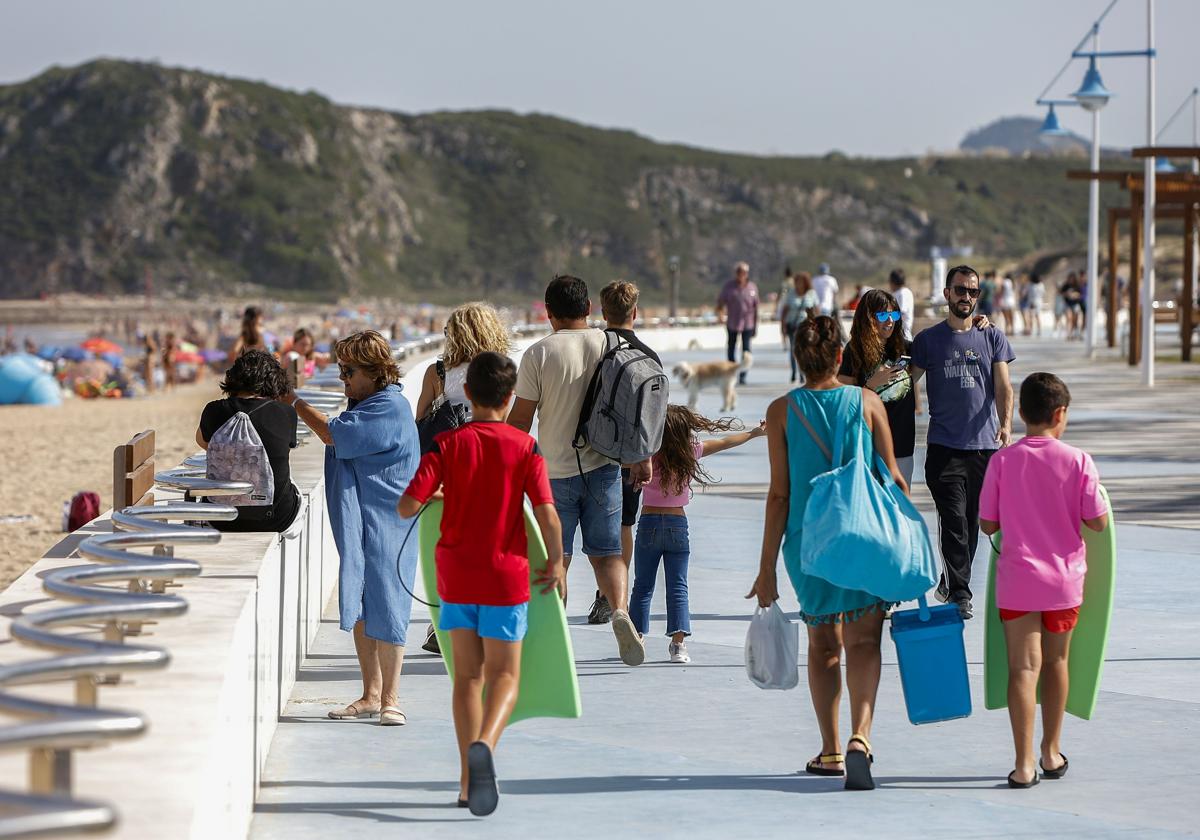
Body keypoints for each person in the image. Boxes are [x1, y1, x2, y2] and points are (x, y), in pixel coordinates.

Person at [399, 352, 565, 816]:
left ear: (466, 392)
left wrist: (438, 493)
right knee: (506, 676)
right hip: (506, 577)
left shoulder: (447, 445)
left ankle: (467, 783)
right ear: (511, 398)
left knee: (466, 679)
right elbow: (548, 514)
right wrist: (557, 563)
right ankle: (487, 746)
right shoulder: (523, 447)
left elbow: (407, 507)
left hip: (455, 577)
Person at [747, 316, 908, 792]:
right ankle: (862, 735)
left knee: (824, 646)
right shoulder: (867, 401)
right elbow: (894, 478)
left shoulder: (781, 412)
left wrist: (766, 569)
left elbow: (779, 494)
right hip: (863, 537)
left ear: (797, 359)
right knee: (864, 642)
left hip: (808, 543)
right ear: (841, 356)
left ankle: (832, 749)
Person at [507, 275, 650, 667]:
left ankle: (555, 639)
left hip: (553, 475)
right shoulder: (611, 344)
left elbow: (520, 421)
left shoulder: (538, 353)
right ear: (589, 308)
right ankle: (619, 611)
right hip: (604, 468)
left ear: (549, 313)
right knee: (607, 556)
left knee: (558, 559)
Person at [979, 372, 1108, 788]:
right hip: (1064, 584)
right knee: (1056, 662)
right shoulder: (1079, 461)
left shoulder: (1002, 461)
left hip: (1018, 580)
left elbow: (986, 524)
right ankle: (1051, 753)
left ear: (1021, 413)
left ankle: (1023, 765)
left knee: (1022, 668)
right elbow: (1098, 523)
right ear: (1060, 414)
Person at [287, 330, 421, 725]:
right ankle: (370, 694)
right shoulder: (368, 403)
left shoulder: (388, 408)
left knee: (390, 603)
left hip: (389, 521)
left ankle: (391, 698)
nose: (343, 377)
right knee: (364, 601)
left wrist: (292, 401)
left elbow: (333, 434)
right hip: (368, 519)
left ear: (375, 371)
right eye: (340, 369)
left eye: (349, 370)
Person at [908, 265, 1015, 620]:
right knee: (953, 519)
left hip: (983, 447)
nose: (966, 297)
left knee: (971, 523)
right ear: (946, 294)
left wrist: (1006, 424)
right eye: (960, 290)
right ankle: (960, 594)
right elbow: (906, 384)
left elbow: (1003, 386)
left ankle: (951, 580)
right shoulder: (928, 341)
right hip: (943, 447)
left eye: (972, 291)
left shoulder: (992, 337)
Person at [630, 405, 764, 664]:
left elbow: (619, 455)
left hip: (648, 524)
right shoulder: (690, 452)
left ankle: (635, 636)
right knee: (678, 586)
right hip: (677, 525)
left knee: (643, 585)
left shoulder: (647, 454)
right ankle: (678, 645)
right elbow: (725, 441)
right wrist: (755, 433)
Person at [590, 280, 662, 625]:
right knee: (624, 525)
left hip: (592, 453)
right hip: (632, 456)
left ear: (603, 312)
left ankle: (594, 595)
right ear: (635, 312)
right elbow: (653, 416)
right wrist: (645, 459)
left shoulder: (596, 349)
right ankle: (612, 598)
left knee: (582, 529)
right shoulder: (649, 356)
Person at [195, 350, 302, 533]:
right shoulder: (286, 413)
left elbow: (203, 443)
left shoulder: (214, 410)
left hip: (220, 517)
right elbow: (282, 450)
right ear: (274, 382)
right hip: (277, 518)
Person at [837, 289, 917, 487]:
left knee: (898, 509)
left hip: (902, 444)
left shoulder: (906, 349)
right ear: (868, 318)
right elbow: (840, 393)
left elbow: (944, 342)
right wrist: (869, 385)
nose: (890, 320)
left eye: (894, 314)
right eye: (883, 315)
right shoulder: (854, 351)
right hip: (867, 447)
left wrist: (976, 325)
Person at [415, 302, 513, 425]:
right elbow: (506, 419)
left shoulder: (437, 371)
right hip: (488, 439)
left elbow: (421, 417)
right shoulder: (500, 370)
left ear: (454, 336)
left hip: (451, 441)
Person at [715, 262, 758, 385]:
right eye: (739, 272)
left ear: (747, 274)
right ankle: (732, 372)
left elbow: (756, 308)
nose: (741, 274)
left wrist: (756, 325)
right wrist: (720, 314)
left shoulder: (752, 287)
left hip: (748, 323)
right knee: (731, 348)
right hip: (733, 322)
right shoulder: (729, 286)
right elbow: (720, 302)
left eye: (743, 272)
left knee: (746, 349)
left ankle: (743, 375)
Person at [778, 271, 819, 382]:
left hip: (807, 327)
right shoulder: (791, 293)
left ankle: (803, 373)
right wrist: (782, 326)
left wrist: (818, 324)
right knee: (794, 350)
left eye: (801, 282)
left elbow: (816, 310)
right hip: (793, 325)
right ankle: (794, 372)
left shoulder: (811, 294)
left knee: (805, 350)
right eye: (797, 282)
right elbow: (784, 311)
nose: (798, 284)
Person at [888, 268, 915, 341]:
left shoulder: (904, 293)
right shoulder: (896, 293)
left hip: (902, 335)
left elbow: (901, 312)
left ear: (892, 282)